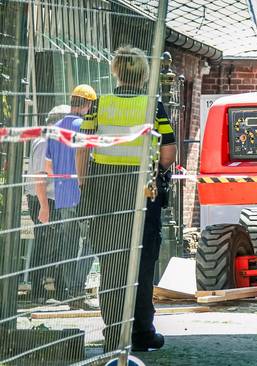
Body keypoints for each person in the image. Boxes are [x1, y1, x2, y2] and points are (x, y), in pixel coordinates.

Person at [77, 46, 176, 352]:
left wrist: (83, 183)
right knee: (143, 264)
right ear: (144, 73)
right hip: (142, 192)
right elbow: (169, 153)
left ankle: (113, 335)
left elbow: (83, 147)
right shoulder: (152, 107)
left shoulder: (100, 104)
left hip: (105, 193)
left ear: (116, 71)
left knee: (111, 263)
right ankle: (143, 333)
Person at [41, 85, 96, 307]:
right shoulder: (85, 128)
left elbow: (48, 168)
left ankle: (71, 291)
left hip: (63, 195)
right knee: (91, 243)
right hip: (82, 193)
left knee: (68, 244)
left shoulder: (54, 130)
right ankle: (77, 289)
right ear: (88, 104)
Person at [26, 105, 68, 303]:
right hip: (43, 199)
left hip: (49, 199)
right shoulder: (44, 142)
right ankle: (38, 290)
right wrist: (44, 206)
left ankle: (51, 288)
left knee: (52, 244)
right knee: (44, 245)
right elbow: (39, 177)